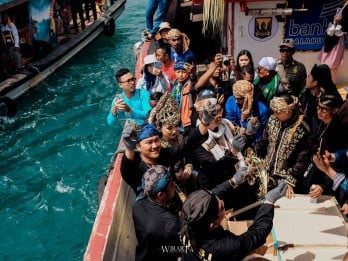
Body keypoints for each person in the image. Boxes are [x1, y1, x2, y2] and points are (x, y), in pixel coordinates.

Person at [120, 102, 216, 195]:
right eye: (149, 142)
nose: (155, 146)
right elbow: (127, 169)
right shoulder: (137, 168)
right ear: (138, 146)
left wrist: (205, 122)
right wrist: (129, 147)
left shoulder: (164, 155)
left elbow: (187, 143)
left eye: (156, 140)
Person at [179, 181, 287, 261]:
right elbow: (257, 234)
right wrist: (269, 202)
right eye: (221, 207)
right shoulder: (226, 247)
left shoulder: (188, 217)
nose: (222, 201)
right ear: (213, 225)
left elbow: (208, 198)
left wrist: (232, 182)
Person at [253, 95, 311, 196]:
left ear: (288, 111)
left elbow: (303, 159)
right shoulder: (272, 120)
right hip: (265, 173)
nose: (275, 115)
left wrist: (290, 181)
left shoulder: (301, 129)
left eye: (278, 112)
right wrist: (253, 156)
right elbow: (264, 142)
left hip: (284, 180)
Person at [148, 92, 198, 195]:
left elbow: (189, 153)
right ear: (160, 128)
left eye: (176, 126)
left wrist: (188, 166)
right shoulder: (157, 148)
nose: (174, 131)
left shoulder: (180, 137)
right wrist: (174, 175)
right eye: (169, 128)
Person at [132, 165, 181, 261]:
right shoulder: (170, 223)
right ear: (161, 195)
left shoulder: (138, 203)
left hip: (143, 253)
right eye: (171, 185)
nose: (174, 185)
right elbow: (177, 247)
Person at [299, 64, 343, 132]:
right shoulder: (306, 93)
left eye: (309, 77)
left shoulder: (330, 100)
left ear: (315, 83)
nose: (306, 79)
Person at [171, 60, 196, 134]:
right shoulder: (175, 85)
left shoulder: (190, 83)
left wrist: (192, 74)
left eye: (184, 72)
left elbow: (193, 81)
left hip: (187, 118)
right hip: (177, 117)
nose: (181, 75)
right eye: (178, 72)